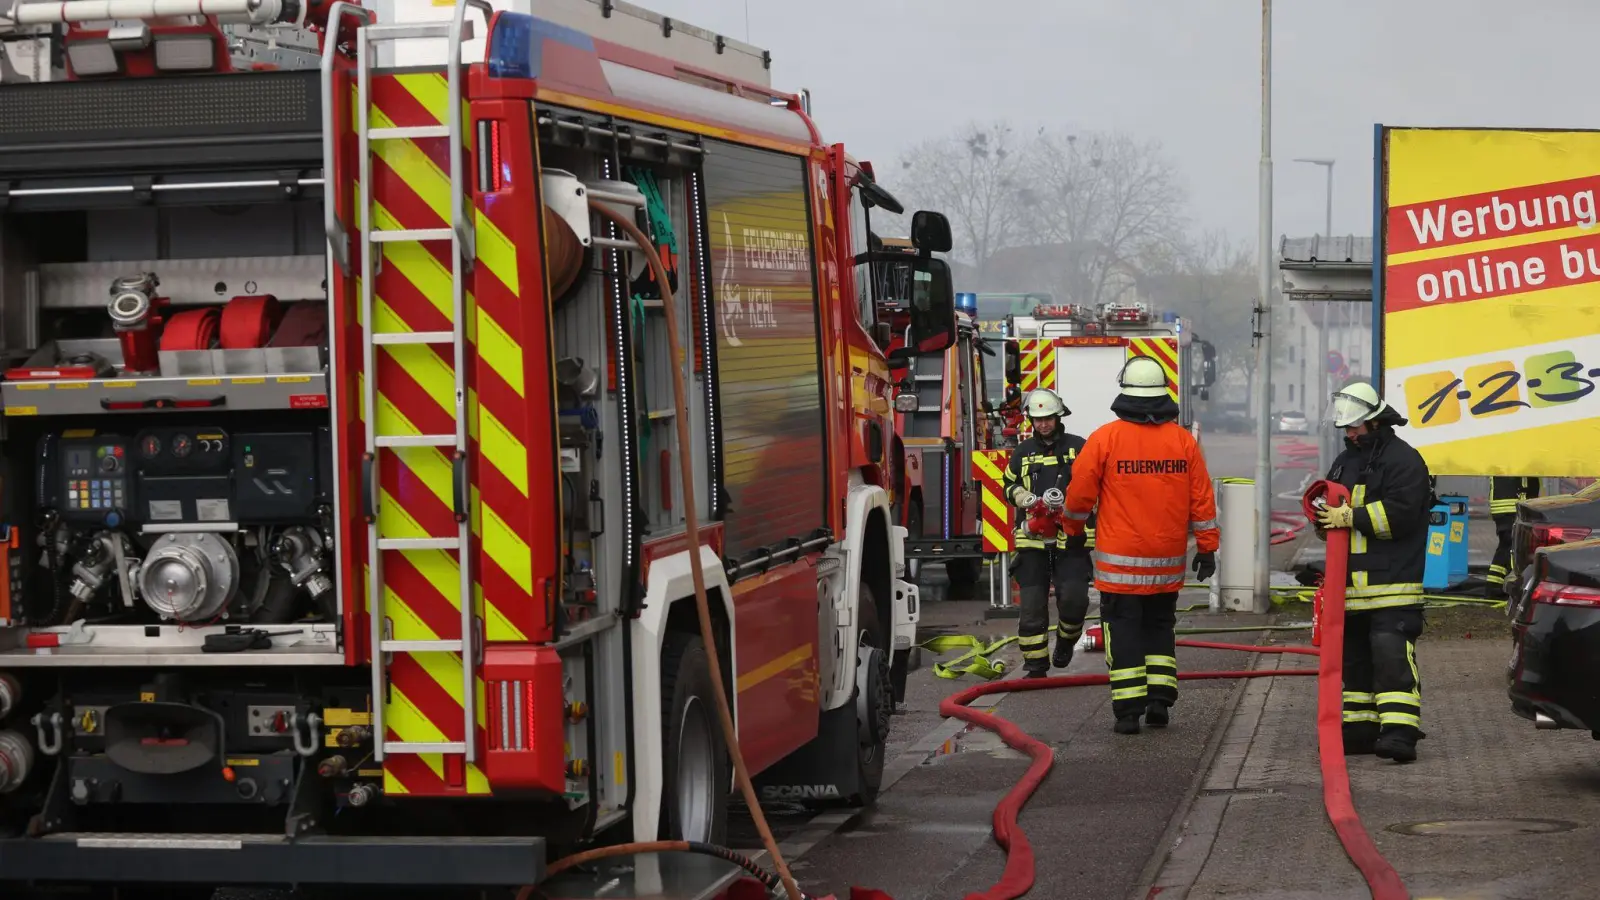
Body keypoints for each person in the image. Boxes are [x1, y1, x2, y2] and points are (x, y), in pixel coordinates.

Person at [1060, 356, 1218, 734]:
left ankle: (1129, 712)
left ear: (1125, 393)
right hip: (1167, 564)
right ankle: (1160, 701)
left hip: (1121, 568)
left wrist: (1074, 532)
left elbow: (1079, 496)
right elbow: (1202, 499)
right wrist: (1208, 547)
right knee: (1160, 627)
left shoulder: (1104, 439)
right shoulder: (1183, 441)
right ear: (1163, 394)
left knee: (1124, 631)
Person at [1314, 381, 1433, 763]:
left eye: (1355, 427)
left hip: (1393, 586)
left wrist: (1352, 517)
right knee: (1355, 663)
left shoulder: (1404, 461)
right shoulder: (1345, 461)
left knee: (1391, 658)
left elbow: (1401, 514)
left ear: (1376, 422)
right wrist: (1322, 516)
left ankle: (1400, 733)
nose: (1349, 433)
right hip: (1349, 590)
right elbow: (1330, 507)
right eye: (1346, 428)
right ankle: (1360, 730)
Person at [1002, 388, 1092, 678]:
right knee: (1031, 607)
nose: (1043, 424)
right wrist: (1025, 498)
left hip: (1072, 538)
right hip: (1033, 539)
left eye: (1048, 418)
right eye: (1038, 419)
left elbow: (1096, 483)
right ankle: (1036, 665)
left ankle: (1066, 642)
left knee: (1075, 599)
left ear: (1058, 416)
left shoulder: (1079, 448)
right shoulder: (1022, 452)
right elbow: (1008, 484)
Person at [1488, 476, 1540, 593]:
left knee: (1507, 545)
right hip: (1513, 505)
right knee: (1514, 546)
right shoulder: (1519, 459)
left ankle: (1494, 585)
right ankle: (1501, 587)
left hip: (1504, 505)